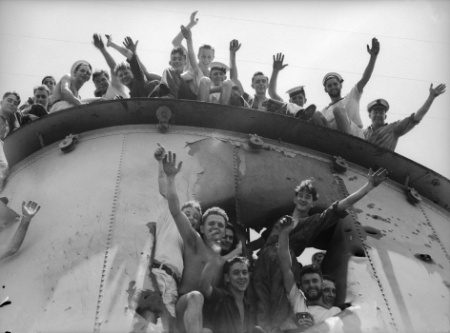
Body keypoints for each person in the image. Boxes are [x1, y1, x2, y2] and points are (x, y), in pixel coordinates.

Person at [253, 168, 387, 331]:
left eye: (308, 197)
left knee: (279, 309)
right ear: (295, 198)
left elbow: (338, 208)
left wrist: (368, 186)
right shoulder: (282, 220)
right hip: (263, 264)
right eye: (300, 195)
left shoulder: (313, 222)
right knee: (258, 303)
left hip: (284, 267)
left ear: (313, 203)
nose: (303, 199)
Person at [161, 150, 229, 333]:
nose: (216, 227)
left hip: (204, 316)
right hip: (185, 302)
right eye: (211, 223)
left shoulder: (223, 257)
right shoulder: (194, 241)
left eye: (220, 225)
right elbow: (176, 211)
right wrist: (170, 178)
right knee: (196, 297)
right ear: (202, 227)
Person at [321, 38, 380, 138]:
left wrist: (373, 57)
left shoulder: (352, 96)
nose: (333, 87)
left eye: (335, 84)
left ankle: (348, 142)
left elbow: (364, 79)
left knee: (338, 111)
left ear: (340, 85)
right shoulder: (325, 111)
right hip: (334, 137)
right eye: (329, 86)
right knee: (317, 116)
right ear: (326, 89)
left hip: (354, 136)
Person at [364, 83, 446, 151]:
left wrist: (431, 97)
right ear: (369, 115)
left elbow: (416, 118)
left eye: (381, 112)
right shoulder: (362, 133)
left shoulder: (393, 129)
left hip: (379, 169)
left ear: (385, 116)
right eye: (375, 112)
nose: (378, 115)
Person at [200, 256, 265, 333]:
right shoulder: (220, 296)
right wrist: (213, 257)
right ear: (227, 278)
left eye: (244, 273)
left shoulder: (248, 305)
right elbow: (204, 286)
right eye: (236, 273)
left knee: (258, 330)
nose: (241, 277)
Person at [268, 53, 327, 126]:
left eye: (300, 98)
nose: (297, 100)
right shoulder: (287, 106)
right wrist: (275, 71)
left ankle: (302, 116)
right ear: (290, 101)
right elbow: (272, 93)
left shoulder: (312, 114)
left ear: (305, 100)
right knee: (285, 107)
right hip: (289, 127)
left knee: (317, 114)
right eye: (294, 98)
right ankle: (299, 115)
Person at [172, 11, 214, 77]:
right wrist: (191, 24)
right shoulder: (189, 63)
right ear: (198, 56)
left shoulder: (213, 76)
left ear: (213, 58)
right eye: (203, 56)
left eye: (209, 57)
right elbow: (176, 42)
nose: (206, 59)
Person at [91, 34, 129, 100]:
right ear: (95, 85)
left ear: (109, 79)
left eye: (103, 79)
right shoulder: (100, 100)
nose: (101, 83)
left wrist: (102, 49)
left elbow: (113, 67)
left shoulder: (115, 86)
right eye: (97, 81)